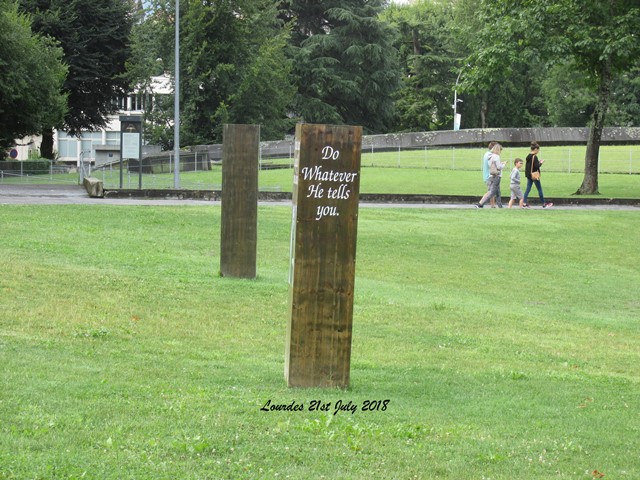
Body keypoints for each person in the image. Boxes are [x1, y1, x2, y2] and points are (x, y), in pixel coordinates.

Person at [523, 141, 553, 208]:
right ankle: (544, 204)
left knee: (527, 189)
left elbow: (531, 165)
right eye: (538, 150)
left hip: (529, 175)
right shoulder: (534, 157)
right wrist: (541, 162)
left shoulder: (528, 156)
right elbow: (536, 166)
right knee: (539, 189)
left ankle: (524, 203)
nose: (538, 151)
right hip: (534, 175)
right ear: (536, 149)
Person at [475, 143, 505, 208]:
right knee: (491, 192)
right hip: (496, 176)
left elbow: (491, 165)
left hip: (490, 176)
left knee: (497, 192)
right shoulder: (496, 156)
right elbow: (499, 167)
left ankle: (499, 206)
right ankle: (480, 204)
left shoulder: (489, 156)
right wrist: (503, 164)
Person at [481, 141, 498, 207]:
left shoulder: (486, 154)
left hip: (486, 175)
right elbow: (491, 165)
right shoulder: (490, 155)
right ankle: (481, 203)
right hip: (489, 176)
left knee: (491, 191)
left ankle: (492, 205)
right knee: (491, 191)